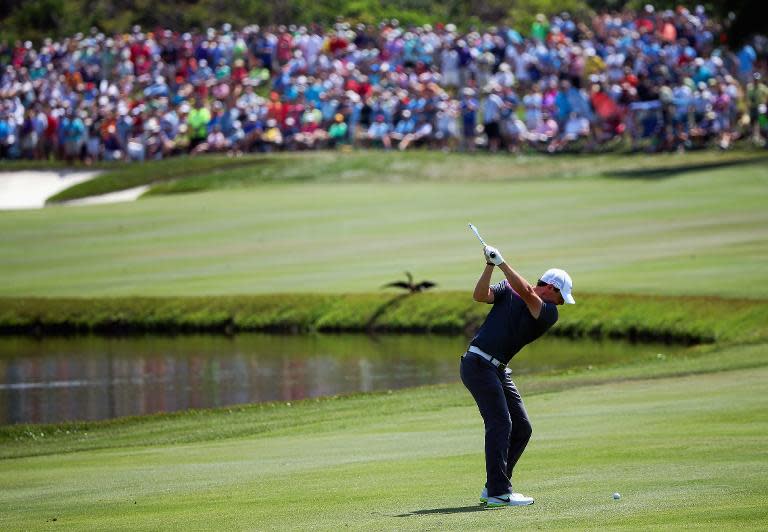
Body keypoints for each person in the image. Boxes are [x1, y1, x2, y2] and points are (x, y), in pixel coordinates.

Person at [460, 243, 575, 507]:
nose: (561, 303)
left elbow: (525, 292)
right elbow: (480, 295)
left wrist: (502, 262)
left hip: (497, 369)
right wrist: (490, 265)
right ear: (551, 288)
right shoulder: (508, 289)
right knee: (501, 423)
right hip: (477, 364)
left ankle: (495, 487)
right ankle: (499, 493)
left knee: (522, 427)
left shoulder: (548, 313)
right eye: (561, 297)